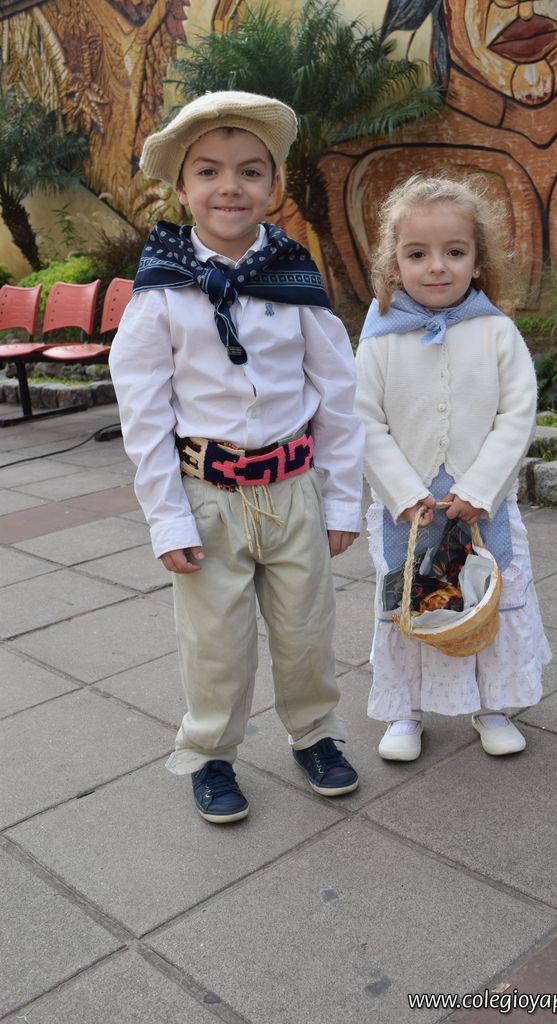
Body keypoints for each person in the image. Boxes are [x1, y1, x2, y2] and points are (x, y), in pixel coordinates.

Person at [110, 91, 364, 823]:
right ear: (180, 187)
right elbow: (144, 414)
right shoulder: (160, 292)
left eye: (251, 171)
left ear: (273, 184)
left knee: (307, 631)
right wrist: (167, 520)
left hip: (294, 491)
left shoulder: (294, 276)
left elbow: (338, 395)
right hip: (207, 496)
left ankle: (314, 733)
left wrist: (342, 501)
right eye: (209, 171)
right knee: (214, 641)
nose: (231, 187)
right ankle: (211, 752)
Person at [354, 174, 551, 762]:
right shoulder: (378, 338)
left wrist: (480, 489)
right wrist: (402, 492)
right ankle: (405, 711)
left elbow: (516, 415)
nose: (436, 266)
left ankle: (493, 704)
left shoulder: (498, 333)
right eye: (417, 254)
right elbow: (363, 420)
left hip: (480, 504)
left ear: (477, 260)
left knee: (485, 598)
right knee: (409, 601)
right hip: (409, 508)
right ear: (394, 263)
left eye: (454, 252)